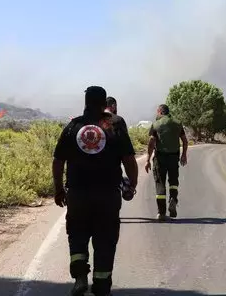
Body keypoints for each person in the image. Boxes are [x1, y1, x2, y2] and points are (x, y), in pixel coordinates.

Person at [52, 86, 139, 296]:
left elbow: (58, 161)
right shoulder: (114, 125)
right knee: (106, 239)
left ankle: (80, 278)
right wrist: (132, 185)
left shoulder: (73, 126)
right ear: (104, 104)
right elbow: (129, 160)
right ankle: (101, 284)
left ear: (85, 102)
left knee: (77, 235)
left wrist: (58, 190)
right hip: (107, 195)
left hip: (78, 194)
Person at [144, 104, 188, 221]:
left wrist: (148, 159)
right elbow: (184, 140)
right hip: (174, 157)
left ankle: (161, 212)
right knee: (173, 181)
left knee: (160, 183)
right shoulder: (177, 123)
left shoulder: (156, 124)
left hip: (160, 158)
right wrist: (184, 155)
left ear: (159, 112)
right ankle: (173, 198)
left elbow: (152, 142)